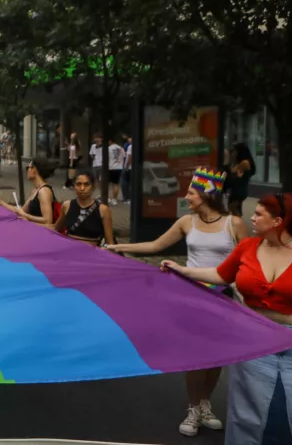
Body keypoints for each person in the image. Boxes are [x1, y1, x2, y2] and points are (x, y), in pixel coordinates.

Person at [108, 167, 247, 436]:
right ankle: (194, 408)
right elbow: (155, 246)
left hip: (221, 298)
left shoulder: (234, 224)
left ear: (207, 195)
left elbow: (247, 259)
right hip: (191, 297)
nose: (187, 196)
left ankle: (206, 404)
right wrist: (118, 247)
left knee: (216, 356)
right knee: (196, 355)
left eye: (191, 192)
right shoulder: (187, 222)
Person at [158, 193, 291, 444]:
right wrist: (181, 270)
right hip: (254, 339)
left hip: (289, 343)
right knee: (247, 412)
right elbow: (220, 274)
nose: (252, 217)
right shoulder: (247, 247)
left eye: (259, 214)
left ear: (278, 221)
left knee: (283, 411)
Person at [53, 171, 114, 247]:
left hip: (92, 255)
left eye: (86, 184)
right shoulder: (66, 205)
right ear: (74, 186)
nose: (82, 188)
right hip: (69, 252)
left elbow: (110, 243)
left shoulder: (103, 210)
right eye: (78, 184)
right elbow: (56, 230)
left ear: (93, 187)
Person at [0, 160, 59, 226]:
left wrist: (26, 217)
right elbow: (21, 210)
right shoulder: (36, 190)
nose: (27, 171)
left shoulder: (44, 191)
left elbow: (48, 221)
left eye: (28, 168)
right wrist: (0, 202)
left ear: (34, 170)